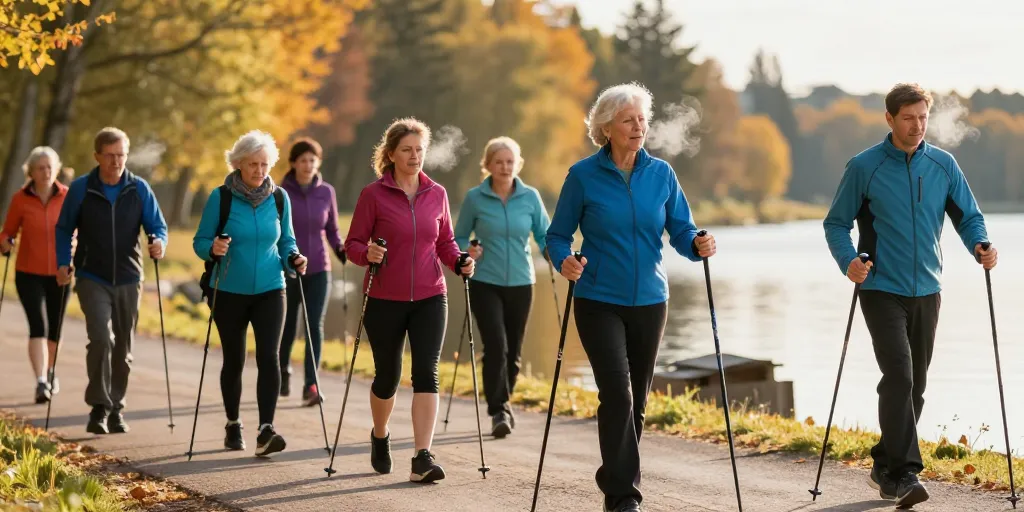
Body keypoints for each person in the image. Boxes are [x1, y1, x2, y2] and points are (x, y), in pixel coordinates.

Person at [823, 82, 996, 508]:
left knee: (915, 385)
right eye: (908, 118)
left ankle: (884, 464)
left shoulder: (943, 164)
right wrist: (849, 261)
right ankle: (905, 474)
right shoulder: (865, 166)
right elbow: (836, 223)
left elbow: (968, 217)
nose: (917, 126)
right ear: (889, 118)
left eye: (923, 117)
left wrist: (980, 245)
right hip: (880, 287)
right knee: (899, 375)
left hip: (928, 289)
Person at [546, 82, 716, 512]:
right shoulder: (583, 176)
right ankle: (623, 496)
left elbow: (681, 229)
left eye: (642, 119)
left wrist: (697, 243)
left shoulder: (662, 174)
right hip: (598, 298)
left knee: (637, 401)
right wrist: (565, 260)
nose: (639, 127)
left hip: (651, 300)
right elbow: (557, 235)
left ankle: (614, 478)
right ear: (606, 128)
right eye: (628, 120)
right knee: (617, 395)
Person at [344, 117, 475, 483]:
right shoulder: (373, 195)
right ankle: (380, 434)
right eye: (407, 150)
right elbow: (352, 244)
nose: (415, 156)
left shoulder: (437, 193)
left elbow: (445, 243)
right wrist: (366, 253)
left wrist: (459, 261)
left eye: (419, 149)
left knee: (426, 373)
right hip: (384, 297)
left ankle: (422, 456)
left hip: (431, 296)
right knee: (388, 376)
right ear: (391, 154)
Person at [193, 130, 307, 457]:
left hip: (271, 288)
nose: (260, 171)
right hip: (228, 290)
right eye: (253, 164)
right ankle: (233, 423)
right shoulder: (221, 198)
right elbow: (200, 241)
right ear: (239, 164)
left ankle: (265, 430)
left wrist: (294, 258)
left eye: (265, 164)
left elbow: (287, 241)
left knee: (269, 356)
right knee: (234, 358)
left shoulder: (279, 198)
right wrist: (212, 248)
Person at [55, 127, 168, 436]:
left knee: (123, 346)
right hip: (92, 275)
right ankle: (98, 407)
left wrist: (158, 242)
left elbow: (157, 226)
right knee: (101, 339)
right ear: (97, 156)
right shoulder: (81, 188)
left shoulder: (139, 188)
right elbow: (64, 228)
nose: (117, 161)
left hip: (130, 277)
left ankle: (116, 407)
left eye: (122, 155)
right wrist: (63, 262)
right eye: (110, 155)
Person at [453, 136, 550, 438]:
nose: (505, 167)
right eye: (499, 162)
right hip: (485, 281)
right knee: (496, 345)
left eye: (510, 162)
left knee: (514, 350)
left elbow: (544, 234)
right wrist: (468, 251)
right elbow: (457, 237)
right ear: (488, 165)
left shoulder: (531, 197)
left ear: (518, 164)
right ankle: (499, 409)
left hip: (522, 281)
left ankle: (503, 401)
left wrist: (553, 253)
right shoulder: (475, 198)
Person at [277, 137, 345, 407]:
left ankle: (311, 385)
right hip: (288, 269)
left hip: (318, 268)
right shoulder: (280, 193)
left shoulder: (327, 192)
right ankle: (282, 372)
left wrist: (340, 248)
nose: (308, 165)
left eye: (312, 160)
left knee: (314, 325)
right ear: (293, 163)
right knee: (287, 324)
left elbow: (332, 229)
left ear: (318, 163)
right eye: (303, 160)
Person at [1, 146, 71, 404]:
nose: (46, 172)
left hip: (61, 273)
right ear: (30, 171)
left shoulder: (68, 197)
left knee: (55, 328)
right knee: (37, 326)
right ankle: (41, 381)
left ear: (57, 169)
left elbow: (79, 227)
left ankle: (50, 371)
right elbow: (8, 231)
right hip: (28, 272)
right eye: (40, 168)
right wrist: (5, 242)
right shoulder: (21, 199)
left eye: (50, 167)